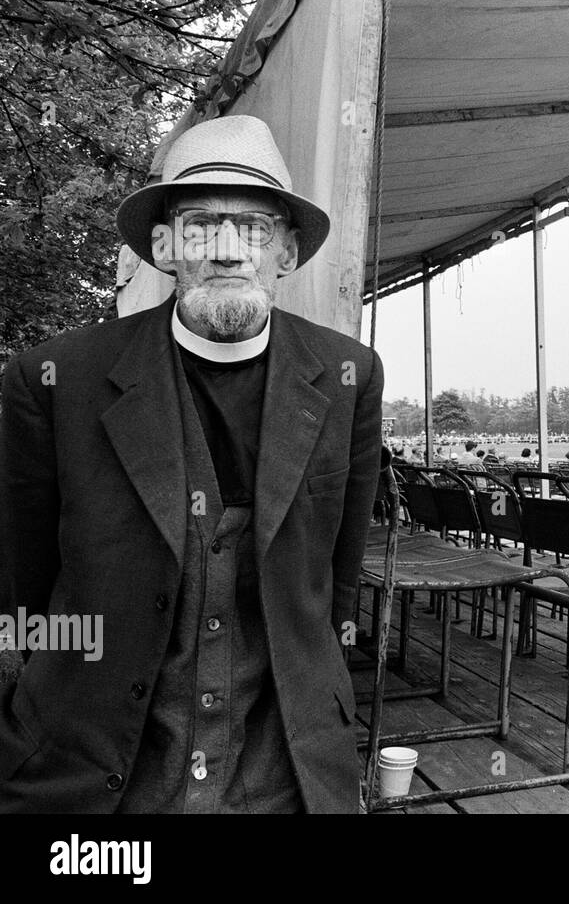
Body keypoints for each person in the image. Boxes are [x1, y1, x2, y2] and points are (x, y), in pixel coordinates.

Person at [0, 116, 382, 813]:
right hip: (96, 762)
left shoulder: (349, 374)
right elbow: (25, 578)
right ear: (166, 247)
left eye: (256, 227)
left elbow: (338, 572)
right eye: (203, 224)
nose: (230, 250)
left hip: (285, 766)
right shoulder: (55, 378)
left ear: (288, 252)